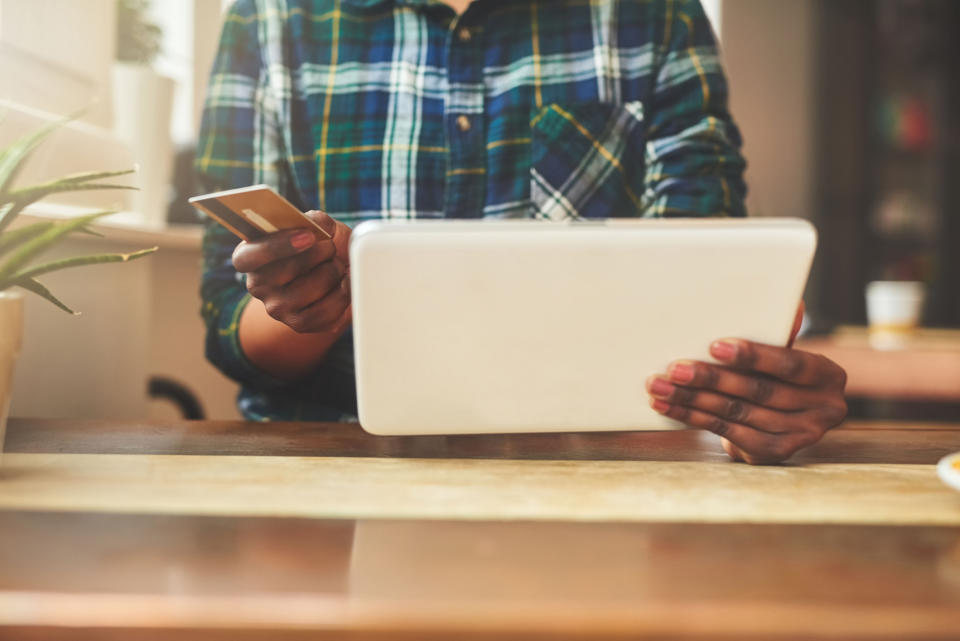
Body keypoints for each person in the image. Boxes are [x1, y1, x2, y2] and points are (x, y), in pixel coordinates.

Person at [197, 0, 848, 464]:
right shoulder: (269, 18)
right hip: (330, 462)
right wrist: (315, 302)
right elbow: (230, 327)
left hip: (601, 473)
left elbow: (710, 295)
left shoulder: (656, 15)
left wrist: (749, 404)